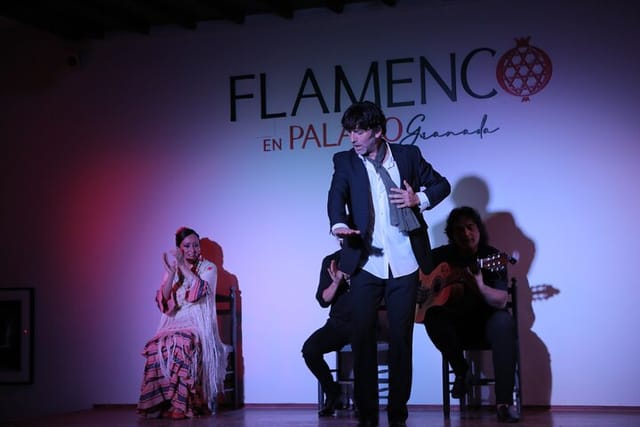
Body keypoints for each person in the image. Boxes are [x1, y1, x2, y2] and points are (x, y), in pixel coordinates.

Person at [327, 101, 451, 427]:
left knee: (400, 341)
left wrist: (418, 199)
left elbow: (441, 185)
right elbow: (336, 195)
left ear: (378, 132)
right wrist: (338, 223)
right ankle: (367, 417)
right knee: (362, 338)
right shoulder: (346, 162)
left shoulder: (408, 156)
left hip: (406, 262)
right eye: (350, 131)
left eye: (360, 131)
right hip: (367, 263)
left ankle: (398, 415)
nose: (353, 138)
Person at [421, 206, 519, 422]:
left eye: (470, 227)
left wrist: (480, 285)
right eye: (459, 230)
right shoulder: (440, 256)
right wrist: (424, 292)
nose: (466, 234)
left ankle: (503, 403)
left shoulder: (491, 257)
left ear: (478, 229)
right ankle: (461, 370)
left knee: (504, 322)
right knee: (431, 316)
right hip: (454, 329)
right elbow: (418, 277)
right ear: (451, 234)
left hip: (486, 323)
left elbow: (501, 300)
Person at [137, 227, 229, 420]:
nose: (192, 250)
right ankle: (162, 403)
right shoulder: (175, 269)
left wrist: (184, 268)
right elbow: (164, 302)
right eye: (187, 246)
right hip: (175, 321)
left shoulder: (209, 268)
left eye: (196, 245)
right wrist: (171, 273)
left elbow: (198, 293)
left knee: (182, 343)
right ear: (179, 248)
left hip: (198, 322)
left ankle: (183, 405)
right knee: (156, 348)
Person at [301, 250, 352, 417]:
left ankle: (363, 400)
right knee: (310, 349)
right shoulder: (331, 260)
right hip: (338, 324)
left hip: (365, 323)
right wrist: (336, 281)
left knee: (363, 348)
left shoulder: (371, 257)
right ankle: (332, 393)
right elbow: (324, 300)